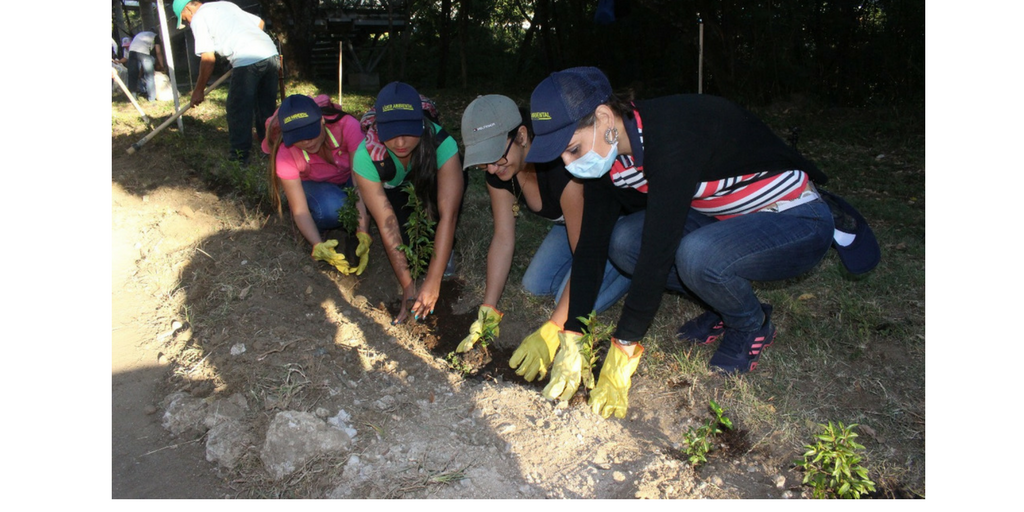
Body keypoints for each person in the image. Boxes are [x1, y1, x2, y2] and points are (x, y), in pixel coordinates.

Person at [524, 66, 835, 419]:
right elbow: (591, 246)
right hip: (726, 219)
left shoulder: (671, 136)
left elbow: (659, 253)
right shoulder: (609, 157)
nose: (568, 163)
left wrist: (623, 348)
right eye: (561, 155)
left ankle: (750, 322)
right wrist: (572, 332)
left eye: (573, 149)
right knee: (624, 240)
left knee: (695, 255)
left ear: (604, 116)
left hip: (795, 218)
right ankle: (723, 304)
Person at [455, 95, 631, 387]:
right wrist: (488, 309)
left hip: (610, 227)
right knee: (534, 285)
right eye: (483, 162)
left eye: (497, 157)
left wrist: (554, 327)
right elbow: (502, 237)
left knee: (574, 297)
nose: (491, 169)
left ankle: (627, 268)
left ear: (522, 135)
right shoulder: (498, 171)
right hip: (569, 225)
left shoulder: (561, 166)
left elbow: (585, 254)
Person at [352, 82, 465, 325]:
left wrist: (433, 282)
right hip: (397, 189)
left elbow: (449, 215)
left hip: (430, 183)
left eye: (408, 132)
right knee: (407, 244)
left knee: (437, 226)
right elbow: (386, 222)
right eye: (391, 133)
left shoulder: (442, 143)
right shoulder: (365, 157)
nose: (401, 142)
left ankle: (445, 251)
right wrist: (408, 286)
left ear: (422, 125)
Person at [261, 94, 371, 275]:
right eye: (298, 137)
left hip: (350, 177)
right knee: (333, 208)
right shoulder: (285, 153)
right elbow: (299, 210)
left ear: (321, 121)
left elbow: (360, 183)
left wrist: (363, 231)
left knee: (371, 193)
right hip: (315, 184)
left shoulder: (347, 126)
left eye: (310, 133)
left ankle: (353, 232)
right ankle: (320, 229)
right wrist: (317, 245)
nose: (306, 142)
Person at [174, 0, 279, 163]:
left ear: (188, 7)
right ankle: (271, 149)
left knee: (238, 109)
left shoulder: (198, 18)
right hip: (271, 54)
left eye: (184, 18)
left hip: (247, 59)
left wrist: (198, 90)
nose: (187, 22)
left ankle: (239, 157)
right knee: (265, 106)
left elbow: (208, 59)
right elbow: (260, 22)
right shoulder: (224, 4)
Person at [126, 31, 165, 102]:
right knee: (149, 76)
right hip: (143, 52)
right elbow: (158, 52)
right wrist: (162, 66)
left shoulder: (141, 34)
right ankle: (152, 99)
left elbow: (140, 66)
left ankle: (132, 99)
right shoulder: (156, 36)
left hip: (132, 51)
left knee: (132, 75)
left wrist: (140, 73)